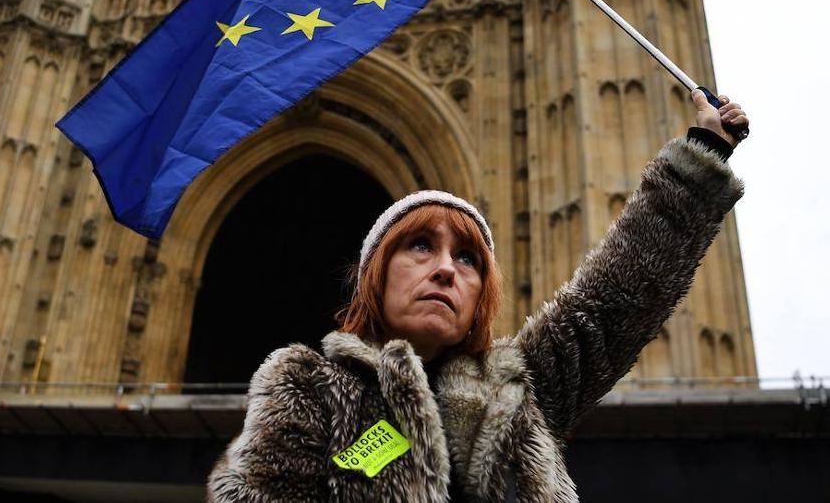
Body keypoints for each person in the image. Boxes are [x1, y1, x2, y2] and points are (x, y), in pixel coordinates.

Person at [207, 89, 749, 503]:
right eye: (421, 246)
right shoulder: (308, 388)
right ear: (376, 274)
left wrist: (701, 156)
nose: (446, 268)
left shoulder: (523, 388)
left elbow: (618, 297)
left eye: (467, 258)